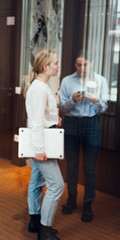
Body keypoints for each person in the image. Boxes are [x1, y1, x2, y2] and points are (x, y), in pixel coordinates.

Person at [59, 49, 108, 222]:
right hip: (71, 124)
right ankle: (71, 199)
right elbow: (62, 109)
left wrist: (96, 100)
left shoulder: (101, 80)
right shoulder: (66, 81)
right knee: (71, 165)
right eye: (78, 64)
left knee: (90, 168)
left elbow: (105, 108)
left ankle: (88, 204)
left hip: (92, 124)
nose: (81, 68)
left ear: (91, 64)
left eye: (85, 64)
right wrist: (72, 100)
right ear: (75, 65)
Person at [23, 49, 64, 240]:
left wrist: (55, 118)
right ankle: (44, 231)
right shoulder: (39, 88)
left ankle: (36, 222)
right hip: (42, 143)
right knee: (56, 186)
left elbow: (42, 116)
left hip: (44, 138)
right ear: (45, 66)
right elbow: (36, 121)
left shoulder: (40, 85)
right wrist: (39, 151)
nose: (58, 65)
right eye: (55, 63)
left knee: (37, 181)